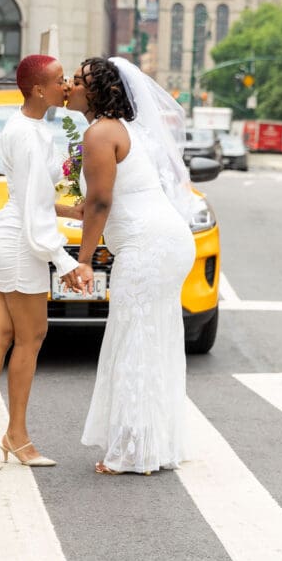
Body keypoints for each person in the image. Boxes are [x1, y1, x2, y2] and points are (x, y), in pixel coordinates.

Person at [0, 54, 82, 471]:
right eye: (61, 80)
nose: (67, 85)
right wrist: (65, 262)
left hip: (13, 236)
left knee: (0, 337)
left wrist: (67, 211)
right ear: (39, 90)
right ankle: (15, 436)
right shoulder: (27, 135)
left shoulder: (31, 128)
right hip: (21, 243)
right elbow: (30, 210)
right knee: (31, 338)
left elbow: (34, 199)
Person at [66, 57, 196, 475]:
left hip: (149, 245)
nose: (70, 85)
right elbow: (94, 203)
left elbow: (102, 204)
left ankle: (131, 451)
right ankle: (151, 445)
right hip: (165, 240)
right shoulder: (120, 131)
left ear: (97, 92)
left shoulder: (100, 132)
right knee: (150, 338)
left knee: (135, 339)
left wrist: (84, 260)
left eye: (79, 80)